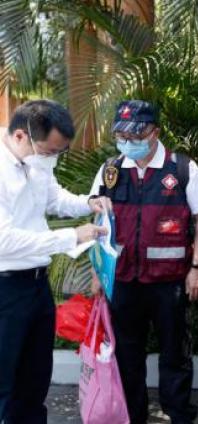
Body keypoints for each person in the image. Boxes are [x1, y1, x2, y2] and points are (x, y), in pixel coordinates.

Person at [90, 100, 198, 424]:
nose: (128, 140)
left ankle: (178, 414)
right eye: (121, 133)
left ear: (154, 132)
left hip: (169, 281)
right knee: (127, 354)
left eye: (136, 133)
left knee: (175, 353)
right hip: (124, 280)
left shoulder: (182, 168)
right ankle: (133, 416)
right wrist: (97, 274)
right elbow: (98, 225)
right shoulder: (110, 171)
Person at [0, 100, 110, 423]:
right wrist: (71, 237)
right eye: (50, 152)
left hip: (36, 286)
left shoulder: (35, 159)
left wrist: (89, 203)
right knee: (4, 380)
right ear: (22, 136)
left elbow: (54, 197)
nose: (52, 159)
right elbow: (4, 240)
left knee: (35, 379)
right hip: (5, 290)